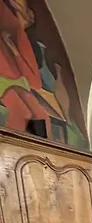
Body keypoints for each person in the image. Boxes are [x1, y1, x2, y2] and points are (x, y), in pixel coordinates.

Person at [0, 0, 51, 137]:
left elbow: (34, 81)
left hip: (17, 79)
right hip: (4, 78)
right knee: (23, 113)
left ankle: (41, 149)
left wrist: (14, 50)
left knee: (42, 116)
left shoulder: (21, 38)